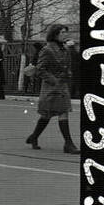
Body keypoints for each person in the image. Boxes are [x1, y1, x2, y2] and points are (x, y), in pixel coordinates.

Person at [25, 23, 79, 154]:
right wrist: (54, 80)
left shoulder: (65, 49)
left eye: (65, 32)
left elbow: (68, 66)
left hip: (63, 86)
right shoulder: (47, 49)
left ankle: (36, 137)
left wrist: (68, 74)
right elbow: (40, 70)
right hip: (51, 87)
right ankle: (66, 143)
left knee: (59, 112)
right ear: (55, 35)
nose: (65, 34)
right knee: (49, 114)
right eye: (62, 32)